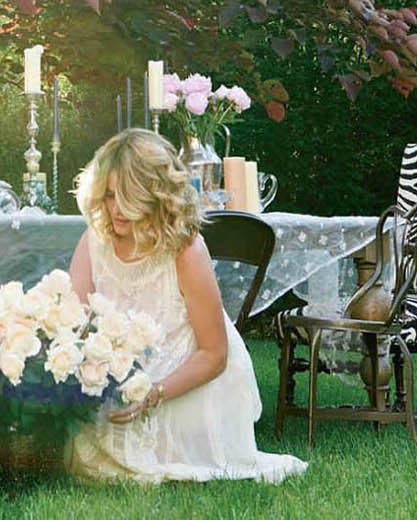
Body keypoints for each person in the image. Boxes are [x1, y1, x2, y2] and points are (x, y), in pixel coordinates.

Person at [67, 127, 306, 484]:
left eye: (128, 198)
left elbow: (214, 354)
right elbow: (75, 327)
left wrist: (153, 393)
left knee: (159, 453)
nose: (116, 209)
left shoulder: (185, 249)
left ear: (156, 196)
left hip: (188, 374)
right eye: (109, 195)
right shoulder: (94, 239)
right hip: (126, 372)